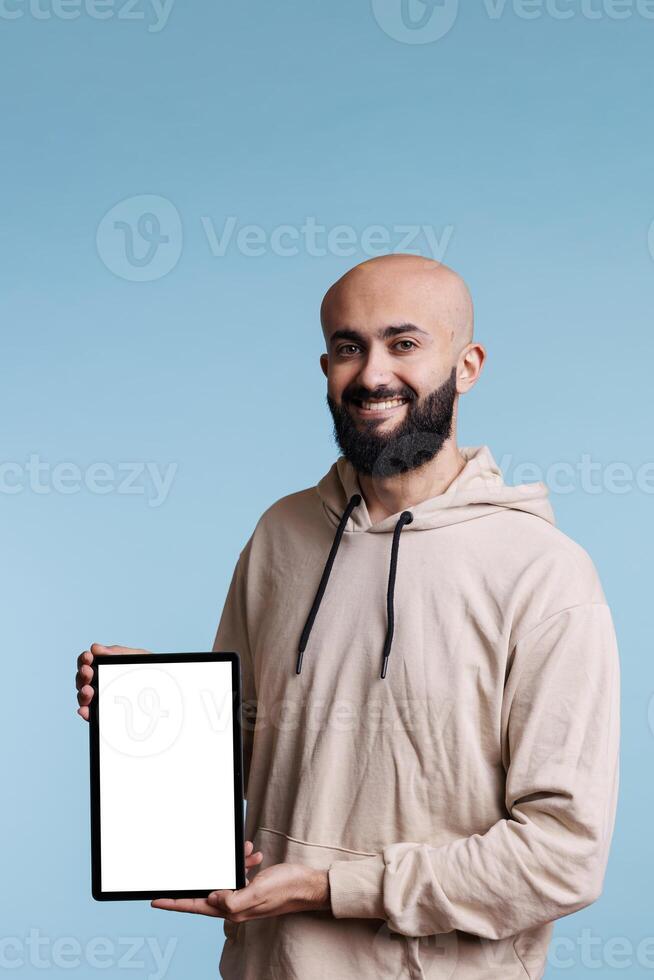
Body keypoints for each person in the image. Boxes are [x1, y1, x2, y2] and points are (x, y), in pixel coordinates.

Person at [76, 254, 621, 980]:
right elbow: (252, 752)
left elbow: (564, 856)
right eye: (347, 347)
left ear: (467, 365)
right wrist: (158, 714)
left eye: (404, 344)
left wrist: (327, 887)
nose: (370, 375)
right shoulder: (282, 533)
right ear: (325, 363)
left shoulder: (544, 572)